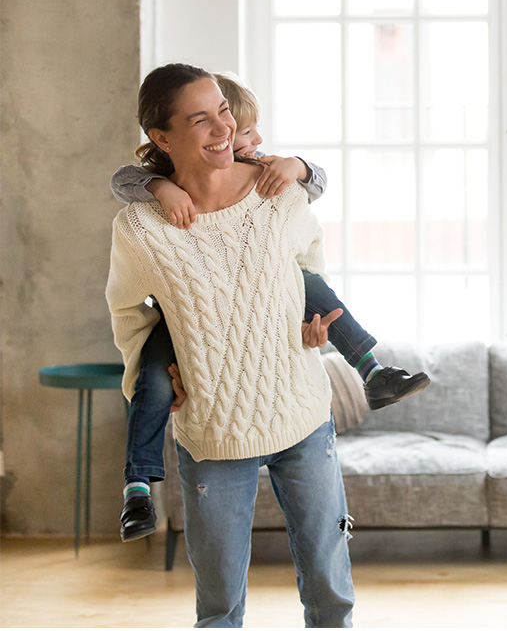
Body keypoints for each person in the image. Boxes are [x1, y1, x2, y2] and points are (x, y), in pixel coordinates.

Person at [110, 72, 429, 543]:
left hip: (295, 398)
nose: (248, 139)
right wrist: (161, 186)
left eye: (230, 119)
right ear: (166, 138)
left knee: (310, 284)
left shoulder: (267, 178)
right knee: (153, 378)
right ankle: (137, 486)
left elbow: (314, 196)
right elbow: (124, 181)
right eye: (239, 129)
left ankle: (372, 371)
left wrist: (297, 165)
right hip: (180, 329)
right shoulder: (146, 211)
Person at [107, 63, 354, 626]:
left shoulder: (280, 196)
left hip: (301, 411)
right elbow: (127, 311)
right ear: (162, 138)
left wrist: (308, 323)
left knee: (330, 587)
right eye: (201, 119)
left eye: (223, 109)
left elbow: (308, 267)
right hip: (212, 428)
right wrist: (151, 373)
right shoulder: (140, 228)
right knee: (219, 605)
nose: (223, 127)